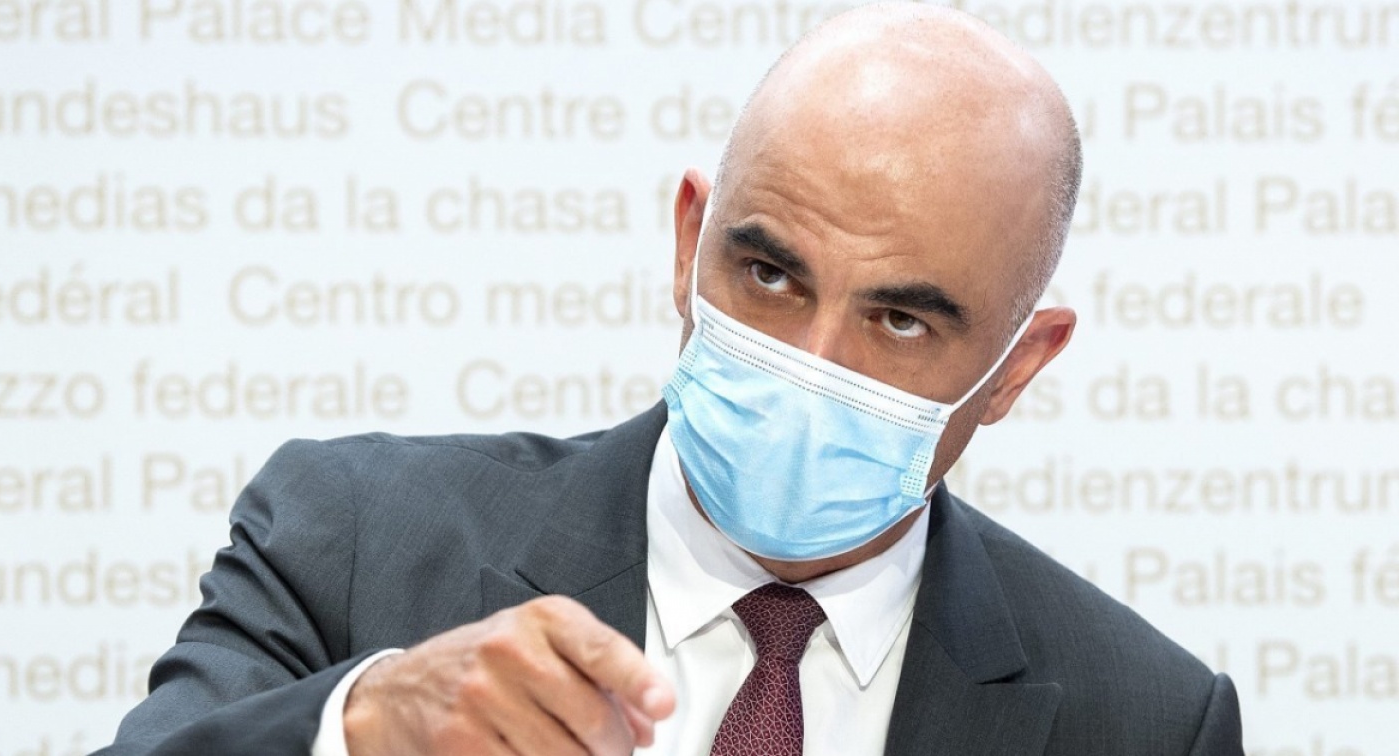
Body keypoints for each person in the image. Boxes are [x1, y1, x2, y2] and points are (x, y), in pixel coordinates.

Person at [97, 4, 1243, 755]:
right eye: (769, 275)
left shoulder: (1146, 720)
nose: (811, 365)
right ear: (689, 241)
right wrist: (365, 729)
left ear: (1018, 367)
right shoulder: (351, 538)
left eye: (900, 320)